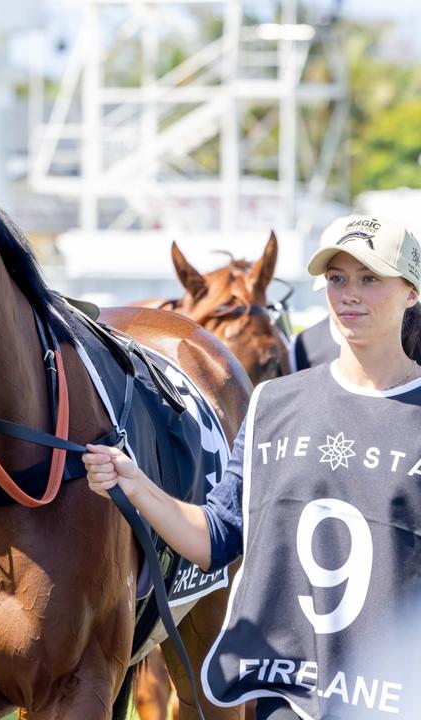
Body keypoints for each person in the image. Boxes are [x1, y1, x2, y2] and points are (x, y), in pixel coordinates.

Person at [83, 215, 421, 719]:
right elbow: (216, 538)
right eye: (337, 279)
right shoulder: (272, 404)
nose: (350, 294)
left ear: (411, 291)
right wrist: (135, 483)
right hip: (284, 701)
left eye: (370, 278)